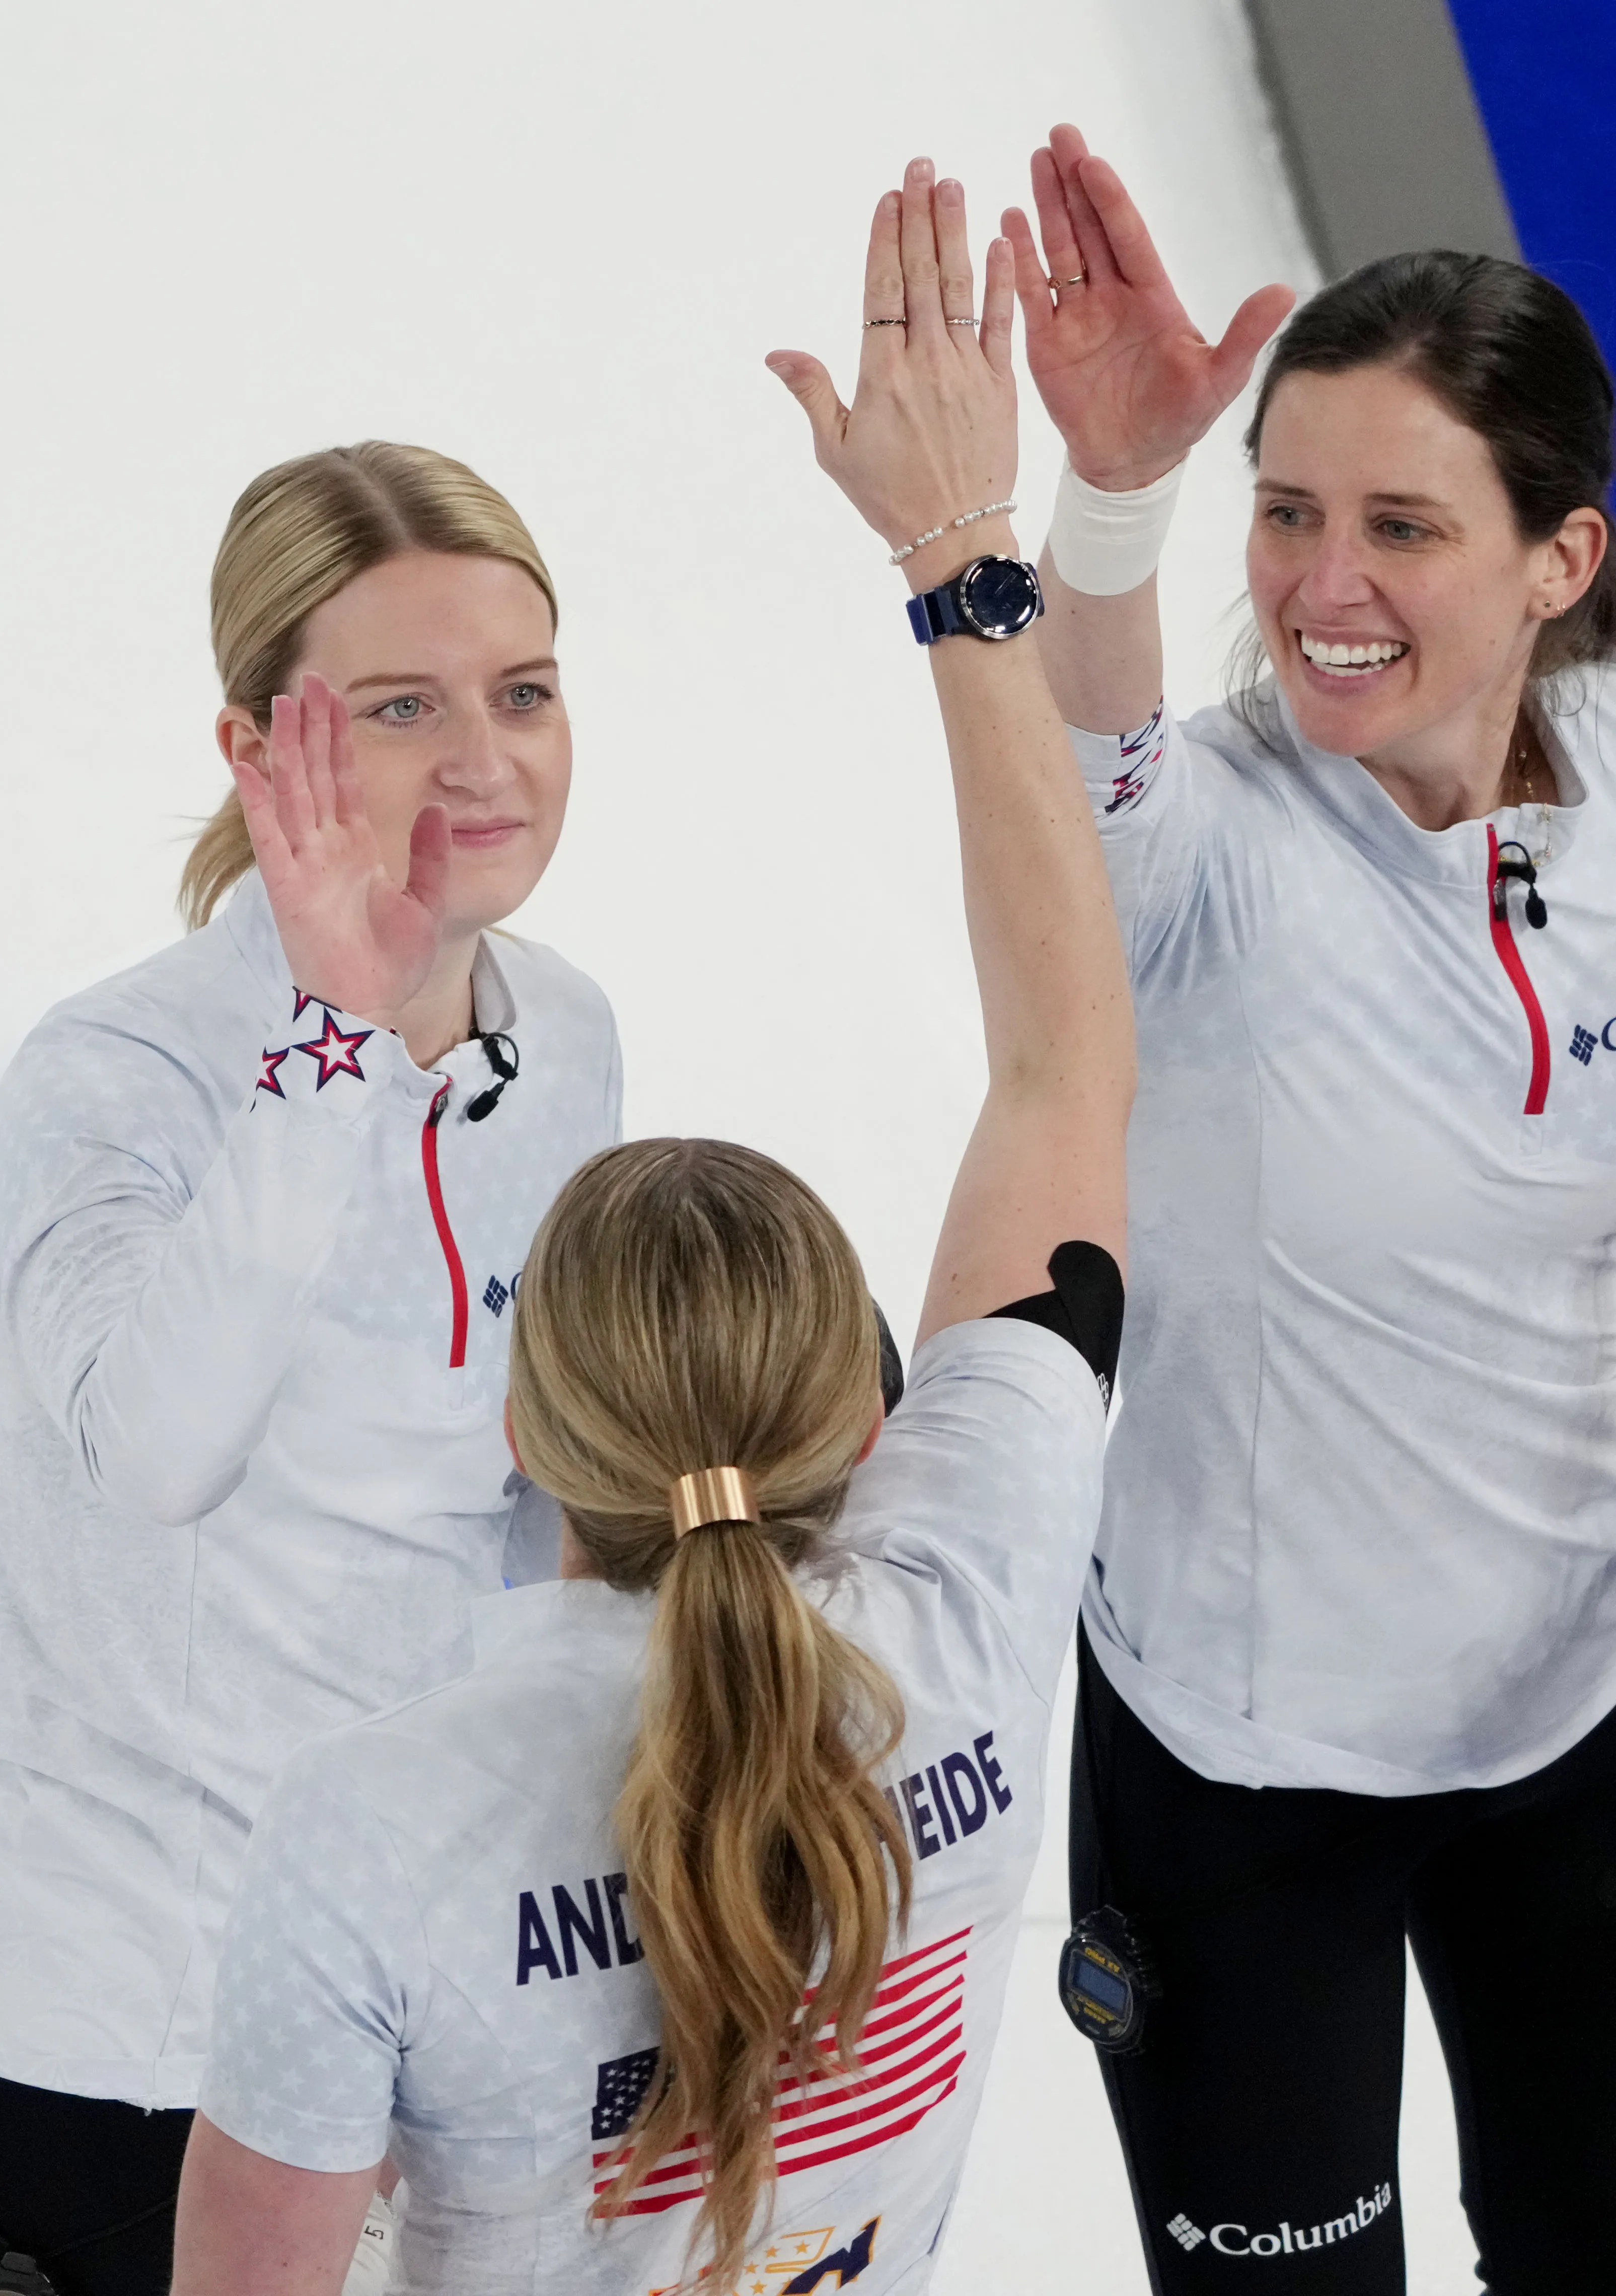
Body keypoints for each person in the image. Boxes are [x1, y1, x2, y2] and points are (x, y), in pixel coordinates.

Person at [168, 157, 1129, 2295]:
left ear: (523, 1428)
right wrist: (965, 556)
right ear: (872, 1425)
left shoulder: (371, 1832)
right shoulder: (963, 1602)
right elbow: (1072, 1071)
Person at [1003, 125, 1616, 2293]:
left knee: (1606, 2256)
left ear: (1554, 556)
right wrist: (1120, 495)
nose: (1323, 586)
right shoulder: (1206, 850)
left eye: (1401, 527)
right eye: (1286, 514)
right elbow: (1076, 774)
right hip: (1247, 1760)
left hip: (1601, 1693)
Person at [0, 443, 625, 2296]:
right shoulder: (110, 1088)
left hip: (412, 2047)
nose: (484, 758)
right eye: (400, 707)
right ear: (254, 750)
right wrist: (329, 1042)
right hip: (118, 2074)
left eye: (521, 693)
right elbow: (161, 1446)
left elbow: (537, 1519)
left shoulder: (571, 1036)